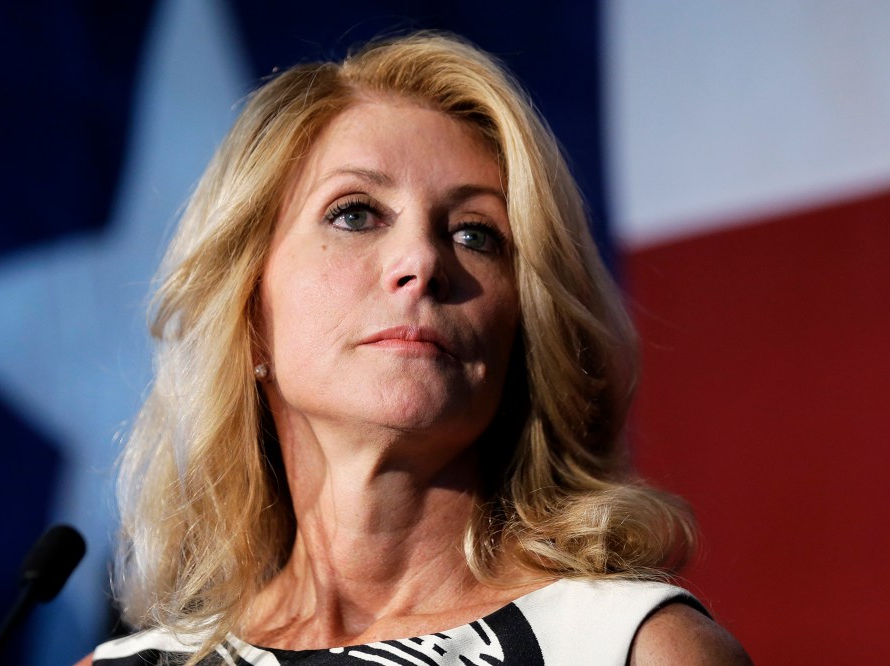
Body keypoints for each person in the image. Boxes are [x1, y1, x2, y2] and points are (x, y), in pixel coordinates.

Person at [81, 32, 750, 665]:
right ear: (250, 309)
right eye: (355, 214)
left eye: (475, 234)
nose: (422, 261)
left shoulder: (634, 649)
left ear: (524, 330)